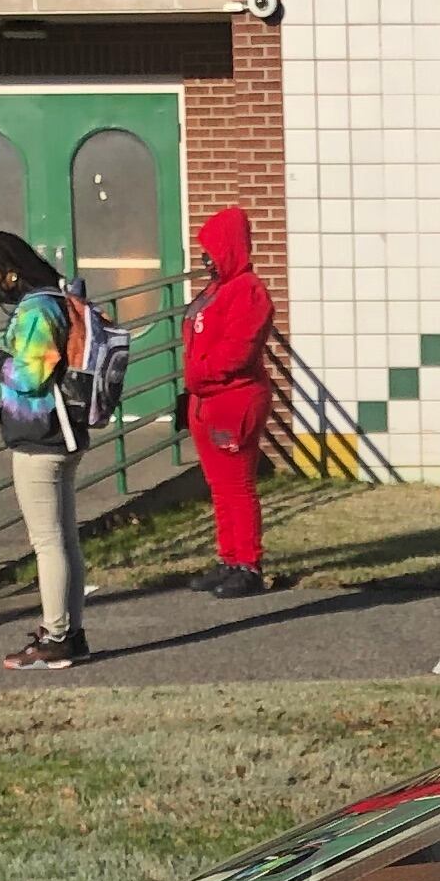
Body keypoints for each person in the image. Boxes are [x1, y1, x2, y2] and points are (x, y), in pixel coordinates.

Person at [0, 230, 93, 669]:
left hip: (42, 439)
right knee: (64, 541)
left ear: (11, 272)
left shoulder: (37, 310)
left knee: (48, 542)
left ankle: (57, 636)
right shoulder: (55, 299)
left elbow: (30, 377)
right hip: (61, 435)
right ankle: (68, 631)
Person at [180, 204, 274, 601]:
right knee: (219, 486)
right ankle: (229, 556)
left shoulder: (248, 291)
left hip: (233, 401)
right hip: (206, 401)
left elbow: (237, 352)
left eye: (211, 250)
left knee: (237, 485)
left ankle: (248, 564)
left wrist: (199, 374)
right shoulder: (217, 289)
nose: (205, 259)